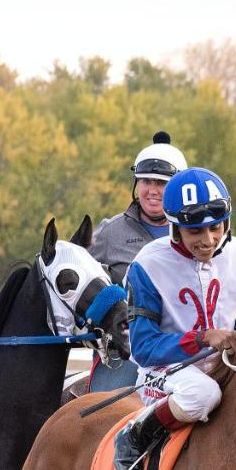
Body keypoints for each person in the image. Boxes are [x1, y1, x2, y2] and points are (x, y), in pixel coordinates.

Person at [114, 166, 236, 470]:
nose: (208, 240)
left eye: (216, 227)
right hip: (165, 371)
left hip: (225, 365)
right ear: (175, 228)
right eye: (196, 232)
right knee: (202, 394)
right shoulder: (147, 266)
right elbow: (143, 347)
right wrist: (204, 338)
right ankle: (135, 435)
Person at [88, 131, 188, 391]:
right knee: (100, 415)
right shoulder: (109, 233)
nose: (152, 190)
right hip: (124, 353)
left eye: (162, 183)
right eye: (146, 181)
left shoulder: (195, 235)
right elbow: (80, 288)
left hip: (183, 350)